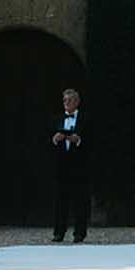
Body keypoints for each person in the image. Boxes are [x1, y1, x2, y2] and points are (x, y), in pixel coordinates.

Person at [51, 86, 89, 243]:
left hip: (79, 166)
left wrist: (78, 140)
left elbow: (93, 142)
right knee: (60, 200)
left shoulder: (85, 120)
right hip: (61, 166)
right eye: (64, 100)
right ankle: (58, 232)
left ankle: (79, 233)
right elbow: (47, 141)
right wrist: (55, 139)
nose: (66, 103)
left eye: (70, 100)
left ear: (77, 102)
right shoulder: (56, 119)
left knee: (80, 200)